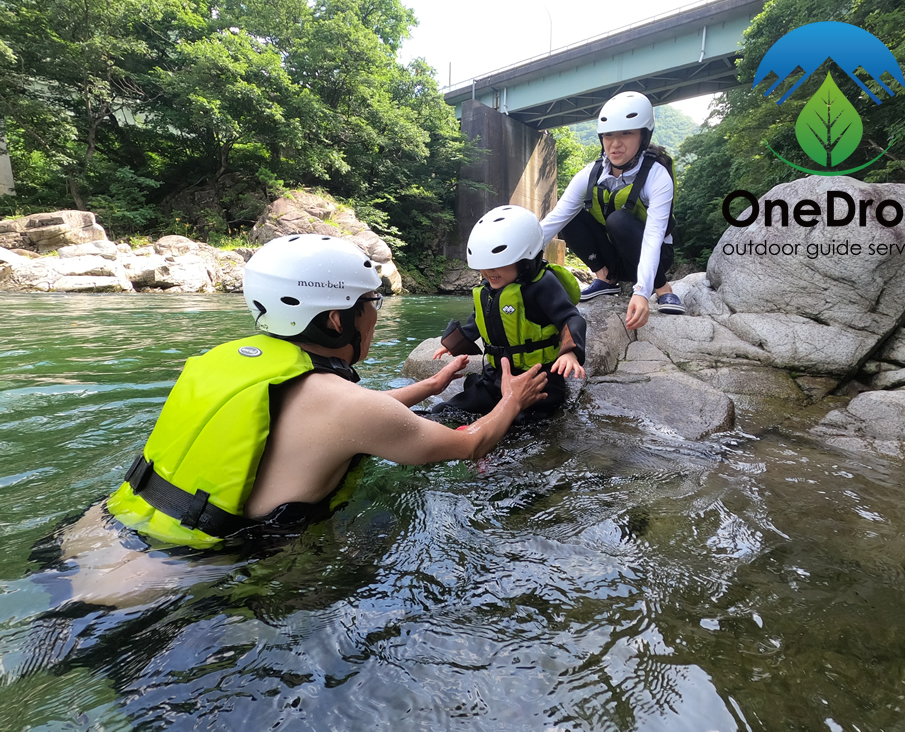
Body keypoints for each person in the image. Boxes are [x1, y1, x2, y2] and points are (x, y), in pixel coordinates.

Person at [51, 234, 548, 605]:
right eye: (371, 303)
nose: (375, 313)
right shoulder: (344, 404)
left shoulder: (230, 359)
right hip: (166, 587)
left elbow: (323, 419)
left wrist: (430, 386)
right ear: (337, 319)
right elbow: (470, 444)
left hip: (90, 538)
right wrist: (513, 400)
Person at [540, 91, 686, 331]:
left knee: (619, 220)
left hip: (655, 254)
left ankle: (663, 288)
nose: (615, 144)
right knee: (570, 215)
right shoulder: (590, 173)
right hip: (613, 256)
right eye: (608, 135)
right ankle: (605, 278)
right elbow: (553, 221)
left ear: (643, 135)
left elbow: (653, 236)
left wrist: (642, 291)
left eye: (626, 133)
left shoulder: (657, 176)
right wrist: (515, 259)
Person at [431, 205, 586, 421]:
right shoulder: (489, 288)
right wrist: (453, 343)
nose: (488, 273)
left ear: (526, 259)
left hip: (537, 380)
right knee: (442, 411)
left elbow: (570, 317)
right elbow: (479, 320)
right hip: (495, 378)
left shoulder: (543, 284)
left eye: (497, 265)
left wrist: (570, 352)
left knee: (518, 423)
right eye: (484, 267)